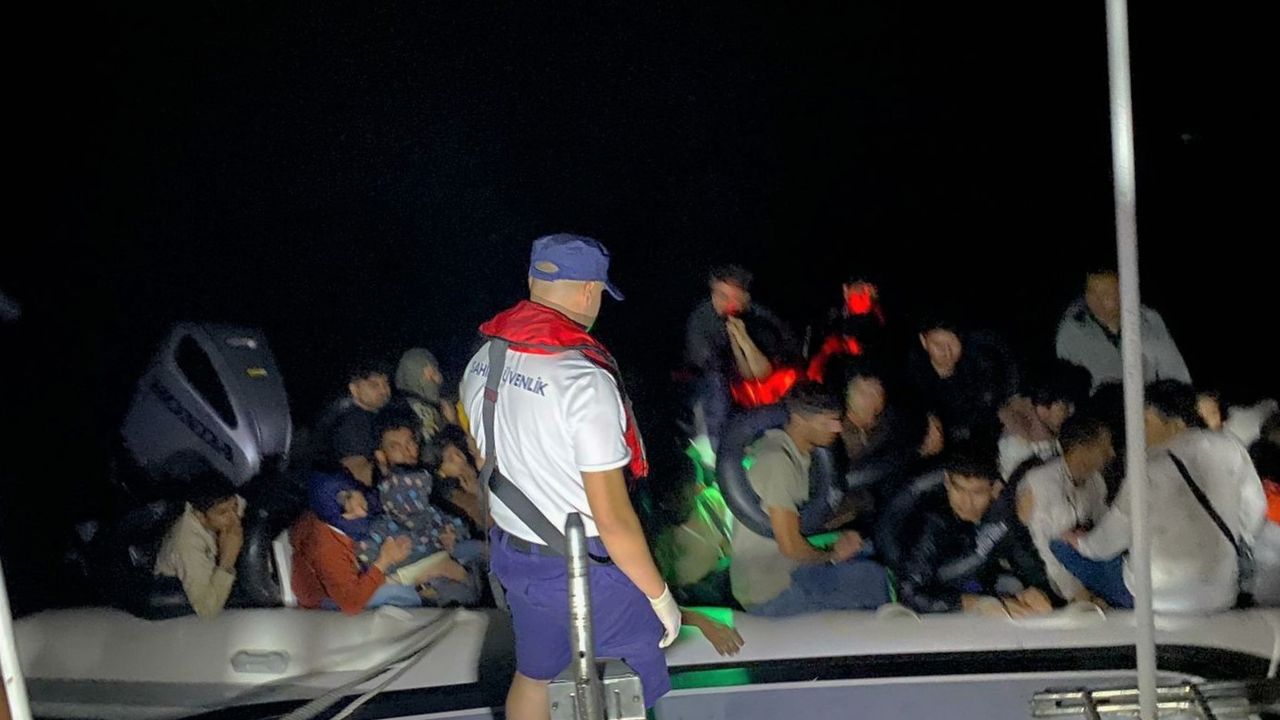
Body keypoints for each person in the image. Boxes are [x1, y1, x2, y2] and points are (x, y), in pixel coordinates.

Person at [459, 233, 680, 718]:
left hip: (517, 556)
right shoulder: (583, 380)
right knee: (629, 687)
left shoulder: (481, 362)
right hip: (585, 565)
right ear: (588, 291)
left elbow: (483, 458)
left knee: (535, 675)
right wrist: (660, 597)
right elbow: (614, 519)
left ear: (532, 280)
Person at [1054, 380, 1266, 613]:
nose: (1140, 431)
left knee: (1059, 545)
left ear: (1174, 423)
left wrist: (1080, 543)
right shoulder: (1232, 447)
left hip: (1155, 597)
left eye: (1146, 421)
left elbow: (1107, 543)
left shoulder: (1148, 468)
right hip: (1222, 593)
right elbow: (1255, 511)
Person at [729, 381, 890, 616]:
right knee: (874, 581)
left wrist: (836, 543)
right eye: (828, 422)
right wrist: (833, 555)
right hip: (771, 590)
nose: (837, 428)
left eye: (837, 420)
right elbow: (790, 546)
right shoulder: (778, 462)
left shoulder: (799, 450)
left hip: (787, 568)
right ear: (799, 420)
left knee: (870, 550)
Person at [897, 454, 1056, 616]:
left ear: (995, 489)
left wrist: (1038, 592)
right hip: (936, 608)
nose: (966, 502)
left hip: (979, 589)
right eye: (959, 489)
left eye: (977, 493)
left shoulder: (1000, 516)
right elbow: (909, 593)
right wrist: (975, 603)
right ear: (947, 481)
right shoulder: (930, 523)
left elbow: (1025, 563)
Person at [685, 264, 799, 448]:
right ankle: (713, 451)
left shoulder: (762, 319)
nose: (730, 304)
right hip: (709, 385)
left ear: (747, 298)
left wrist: (743, 339)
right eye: (722, 296)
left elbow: (764, 372)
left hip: (762, 386)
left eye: (736, 298)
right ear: (712, 295)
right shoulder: (701, 321)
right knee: (716, 383)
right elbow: (708, 367)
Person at [290, 470, 421, 614]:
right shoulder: (327, 550)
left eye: (359, 502)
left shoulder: (322, 509)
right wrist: (384, 561)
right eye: (350, 513)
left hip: (344, 566)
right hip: (328, 598)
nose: (361, 513)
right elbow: (350, 603)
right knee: (402, 592)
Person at [1015, 414, 1114, 603]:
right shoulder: (1040, 482)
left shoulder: (1096, 481)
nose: (1111, 453)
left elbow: (1105, 527)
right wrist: (1074, 592)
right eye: (1104, 447)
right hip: (1041, 575)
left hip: (1084, 564)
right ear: (1081, 448)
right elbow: (1042, 546)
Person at [1055, 266, 1191, 390]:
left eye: (1105, 293)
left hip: (1146, 405)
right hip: (1099, 407)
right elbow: (1068, 386)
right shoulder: (1071, 330)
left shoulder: (1149, 321)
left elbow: (1175, 372)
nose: (1097, 300)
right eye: (1091, 292)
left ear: (1123, 293)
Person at [908, 317, 1020, 447]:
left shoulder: (980, 356)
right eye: (938, 345)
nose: (946, 352)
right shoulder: (913, 374)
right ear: (923, 341)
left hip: (995, 431)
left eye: (951, 344)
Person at [153, 472, 244, 618]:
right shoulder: (186, 543)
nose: (234, 519)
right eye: (223, 513)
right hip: (176, 595)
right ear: (200, 515)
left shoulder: (223, 509)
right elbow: (206, 610)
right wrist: (228, 560)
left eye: (234, 507)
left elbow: (239, 503)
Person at [996, 365, 1089, 479]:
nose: (1070, 413)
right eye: (1066, 406)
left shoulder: (1055, 437)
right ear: (1046, 400)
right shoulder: (1014, 442)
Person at [806, 276, 889, 383]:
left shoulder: (874, 321)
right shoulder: (835, 314)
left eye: (868, 294)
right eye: (861, 294)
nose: (867, 300)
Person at [329, 360, 393, 487]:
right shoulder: (353, 423)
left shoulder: (377, 417)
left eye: (386, 383)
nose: (384, 391)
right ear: (354, 389)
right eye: (374, 385)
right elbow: (357, 474)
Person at [394, 347, 458, 445]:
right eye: (431, 375)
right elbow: (440, 448)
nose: (438, 378)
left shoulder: (436, 404)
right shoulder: (407, 411)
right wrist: (453, 423)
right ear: (415, 379)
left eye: (436, 371)